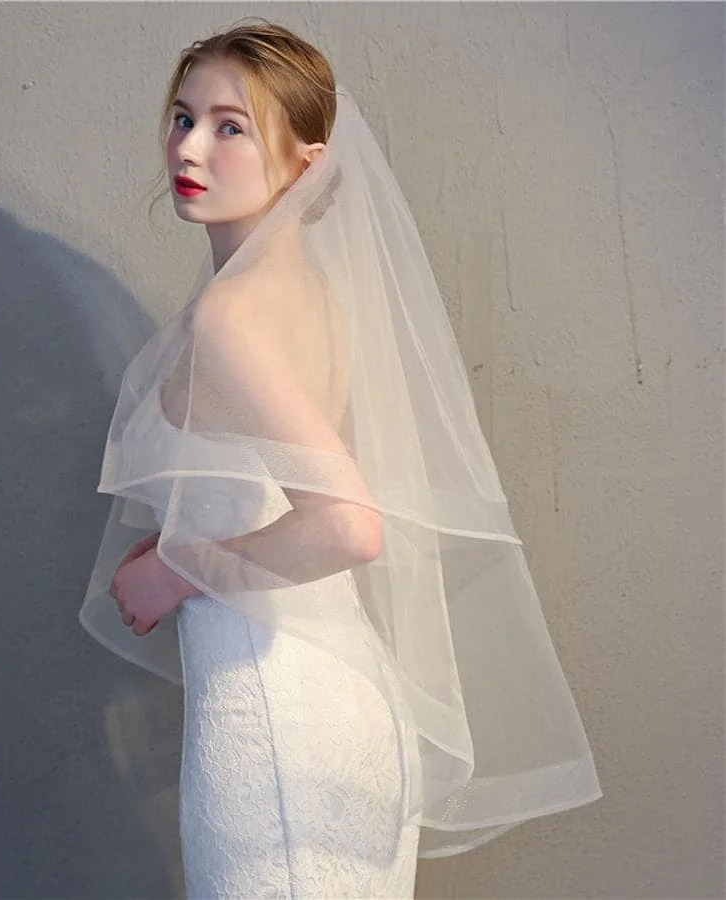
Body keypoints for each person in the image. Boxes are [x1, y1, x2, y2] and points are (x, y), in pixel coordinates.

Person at [81, 20, 601, 899]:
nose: (190, 147)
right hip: (346, 699)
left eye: (231, 127)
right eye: (183, 116)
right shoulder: (313, 295)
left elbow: (348, 525)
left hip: (273, 715)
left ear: (307, 163)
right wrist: (187, 545)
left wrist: (176, 569)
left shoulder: (231, 318)